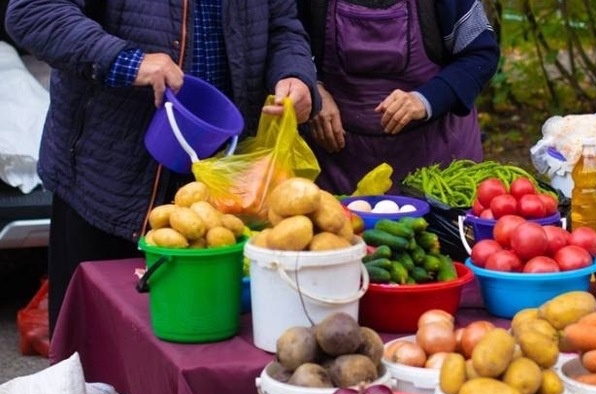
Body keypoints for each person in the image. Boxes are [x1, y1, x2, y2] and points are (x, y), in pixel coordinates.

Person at [5, 0, 320, 338]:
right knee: (96, 357)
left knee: (201, 341)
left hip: (219, 179)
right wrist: (128, 61)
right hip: (108, 179)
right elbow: (33, 12)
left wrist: (295, 75)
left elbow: (283, 27)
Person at [297, 0, 500, 195]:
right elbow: (287, 42)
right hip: (338, 167)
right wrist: (313, 87)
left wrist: (426, 99)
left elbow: (480, 55)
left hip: (437, 165)